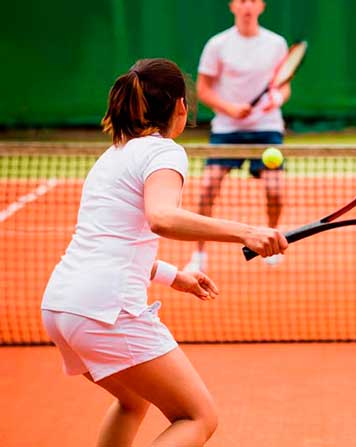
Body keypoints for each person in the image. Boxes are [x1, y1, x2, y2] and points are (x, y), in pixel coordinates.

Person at [40, 58, 287, 447]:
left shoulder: (113, 156)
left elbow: (112, 242)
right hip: (106, 311)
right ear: (181, 107)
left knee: (132, 400)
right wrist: (247, 232)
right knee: (196, 417)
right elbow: (162, 218)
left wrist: (175, 276)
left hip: (61, 307)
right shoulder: (164, 152)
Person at [185, 0, 290, 271]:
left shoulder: (276, 43)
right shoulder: (217, 45)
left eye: (253, 1)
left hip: (267, 129)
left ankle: (272, 238)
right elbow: (204, 89)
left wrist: (275, 99)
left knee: (275, 191)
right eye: (242, 1)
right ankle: (198, 254)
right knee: (207, 188)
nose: (247, 6)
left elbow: (283, 86)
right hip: (227, 131)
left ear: (261, 6)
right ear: (233, 6)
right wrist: (230, 108)